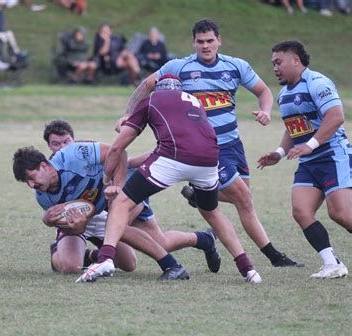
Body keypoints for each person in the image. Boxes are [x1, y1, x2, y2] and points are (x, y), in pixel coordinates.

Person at [116, 18, 303, 269]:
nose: (206, 46)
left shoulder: (235, 66)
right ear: (193, 43)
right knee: (244, 199)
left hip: (233, 144)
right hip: (206, 148)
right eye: (200, 41)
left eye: (210, 41)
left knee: (243, 200)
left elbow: (263, 92)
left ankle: (200, 195)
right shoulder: (179, 67)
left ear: (219, 41)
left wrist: (266, 110)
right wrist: (128, 114)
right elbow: (146, 86)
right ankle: (274, 257)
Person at [77, 75, 262, 284]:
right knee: (212, 212)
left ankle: (105, 259)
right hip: (210, 160)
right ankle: (248, 270)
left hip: (174, 157)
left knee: (121, 203)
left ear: (157, 89)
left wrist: (107, 179)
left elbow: (118, 147)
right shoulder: (194, 102)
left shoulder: (151, 100)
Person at [43, 119, 222, 274]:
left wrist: (119, 184)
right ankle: (91, 256)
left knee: (154, 245)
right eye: (56, 144)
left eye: (66, 141)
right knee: (77, 260)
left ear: (73, 139)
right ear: (49, 146)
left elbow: (120, 157)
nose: (62, 147)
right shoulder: (50, 172)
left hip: (119, 200)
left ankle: (203, 240)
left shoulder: (84, 151)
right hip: (90, 216)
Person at [13, 142, 191, 280]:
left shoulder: (74, 156)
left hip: (117, 197)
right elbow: (76, 228)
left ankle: (175, 261)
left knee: (128, 263)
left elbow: (119, 152)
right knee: (70, 267)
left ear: (44, 166)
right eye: (26, 182)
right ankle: (171, 265)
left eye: (31, 178)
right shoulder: (43, 197)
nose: (31, 185)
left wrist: (118, 186)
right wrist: (76, 225)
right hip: (93, 215)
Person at [257, 40, 351, 279]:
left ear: (295, 60)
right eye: (273, 64)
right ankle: (332, 264)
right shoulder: (284, 94)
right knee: (301, 211)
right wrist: (278, 153)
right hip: (309, 163)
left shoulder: (317, 83)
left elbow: (336, 117)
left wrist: (310, 145)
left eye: (279, 62)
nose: (275, 68)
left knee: (340, 214)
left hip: (332, 155)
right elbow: (294, 128)